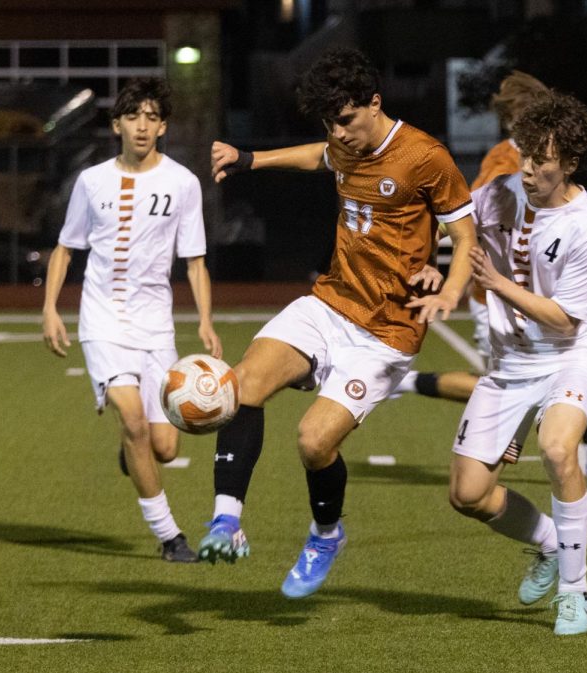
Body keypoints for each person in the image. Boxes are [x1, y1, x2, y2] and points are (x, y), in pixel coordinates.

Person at [200, 48, 477, 599]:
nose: (339, 134)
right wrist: (249, 158)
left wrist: (449, 287)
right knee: (241, 387)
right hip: (329, 303)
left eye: (347, 120)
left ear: (375, 103)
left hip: (386, 333)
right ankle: (225, 521)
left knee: (313, 442)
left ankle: (326, 534)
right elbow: (317, 156)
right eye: (331, 124)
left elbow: (466, 234)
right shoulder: (342, 141)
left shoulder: (425, 156)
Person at [396, 70, 587, 485]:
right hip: (494, 295)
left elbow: (566, 219)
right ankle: (411, 384)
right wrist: (434, 259)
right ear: (515, 117)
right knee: (507, 379)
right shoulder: (504, 164)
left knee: (577, 362)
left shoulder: (557, 171)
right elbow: (465, 213)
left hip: (534, 294)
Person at [41, 77, 221, 563]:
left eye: (152, 117)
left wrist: (205, 320)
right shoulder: (91, 181)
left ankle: (133, 452)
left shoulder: (182, 183)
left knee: (165, 447)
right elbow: (65, 248)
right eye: (134, 116)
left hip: (156, 327)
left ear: (162, 127)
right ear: (117, 123)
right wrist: (50, 308)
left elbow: (195, 261)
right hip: (102, 322)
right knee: (135, 420)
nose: (143, 126)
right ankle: (170, 537)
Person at [448, 90, 587, 636]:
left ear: (570, 163)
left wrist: (495, 284)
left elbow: (565, 320)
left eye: (543, 161)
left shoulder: (586, 225)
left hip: (566, 355)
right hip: (509, 361)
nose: (531, 169)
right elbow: (454, 223)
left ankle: (573, 588)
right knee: (467, 494)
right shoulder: (500, 194)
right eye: (528, 156)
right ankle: (547, 544)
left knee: (559, 450)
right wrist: (435, 274)